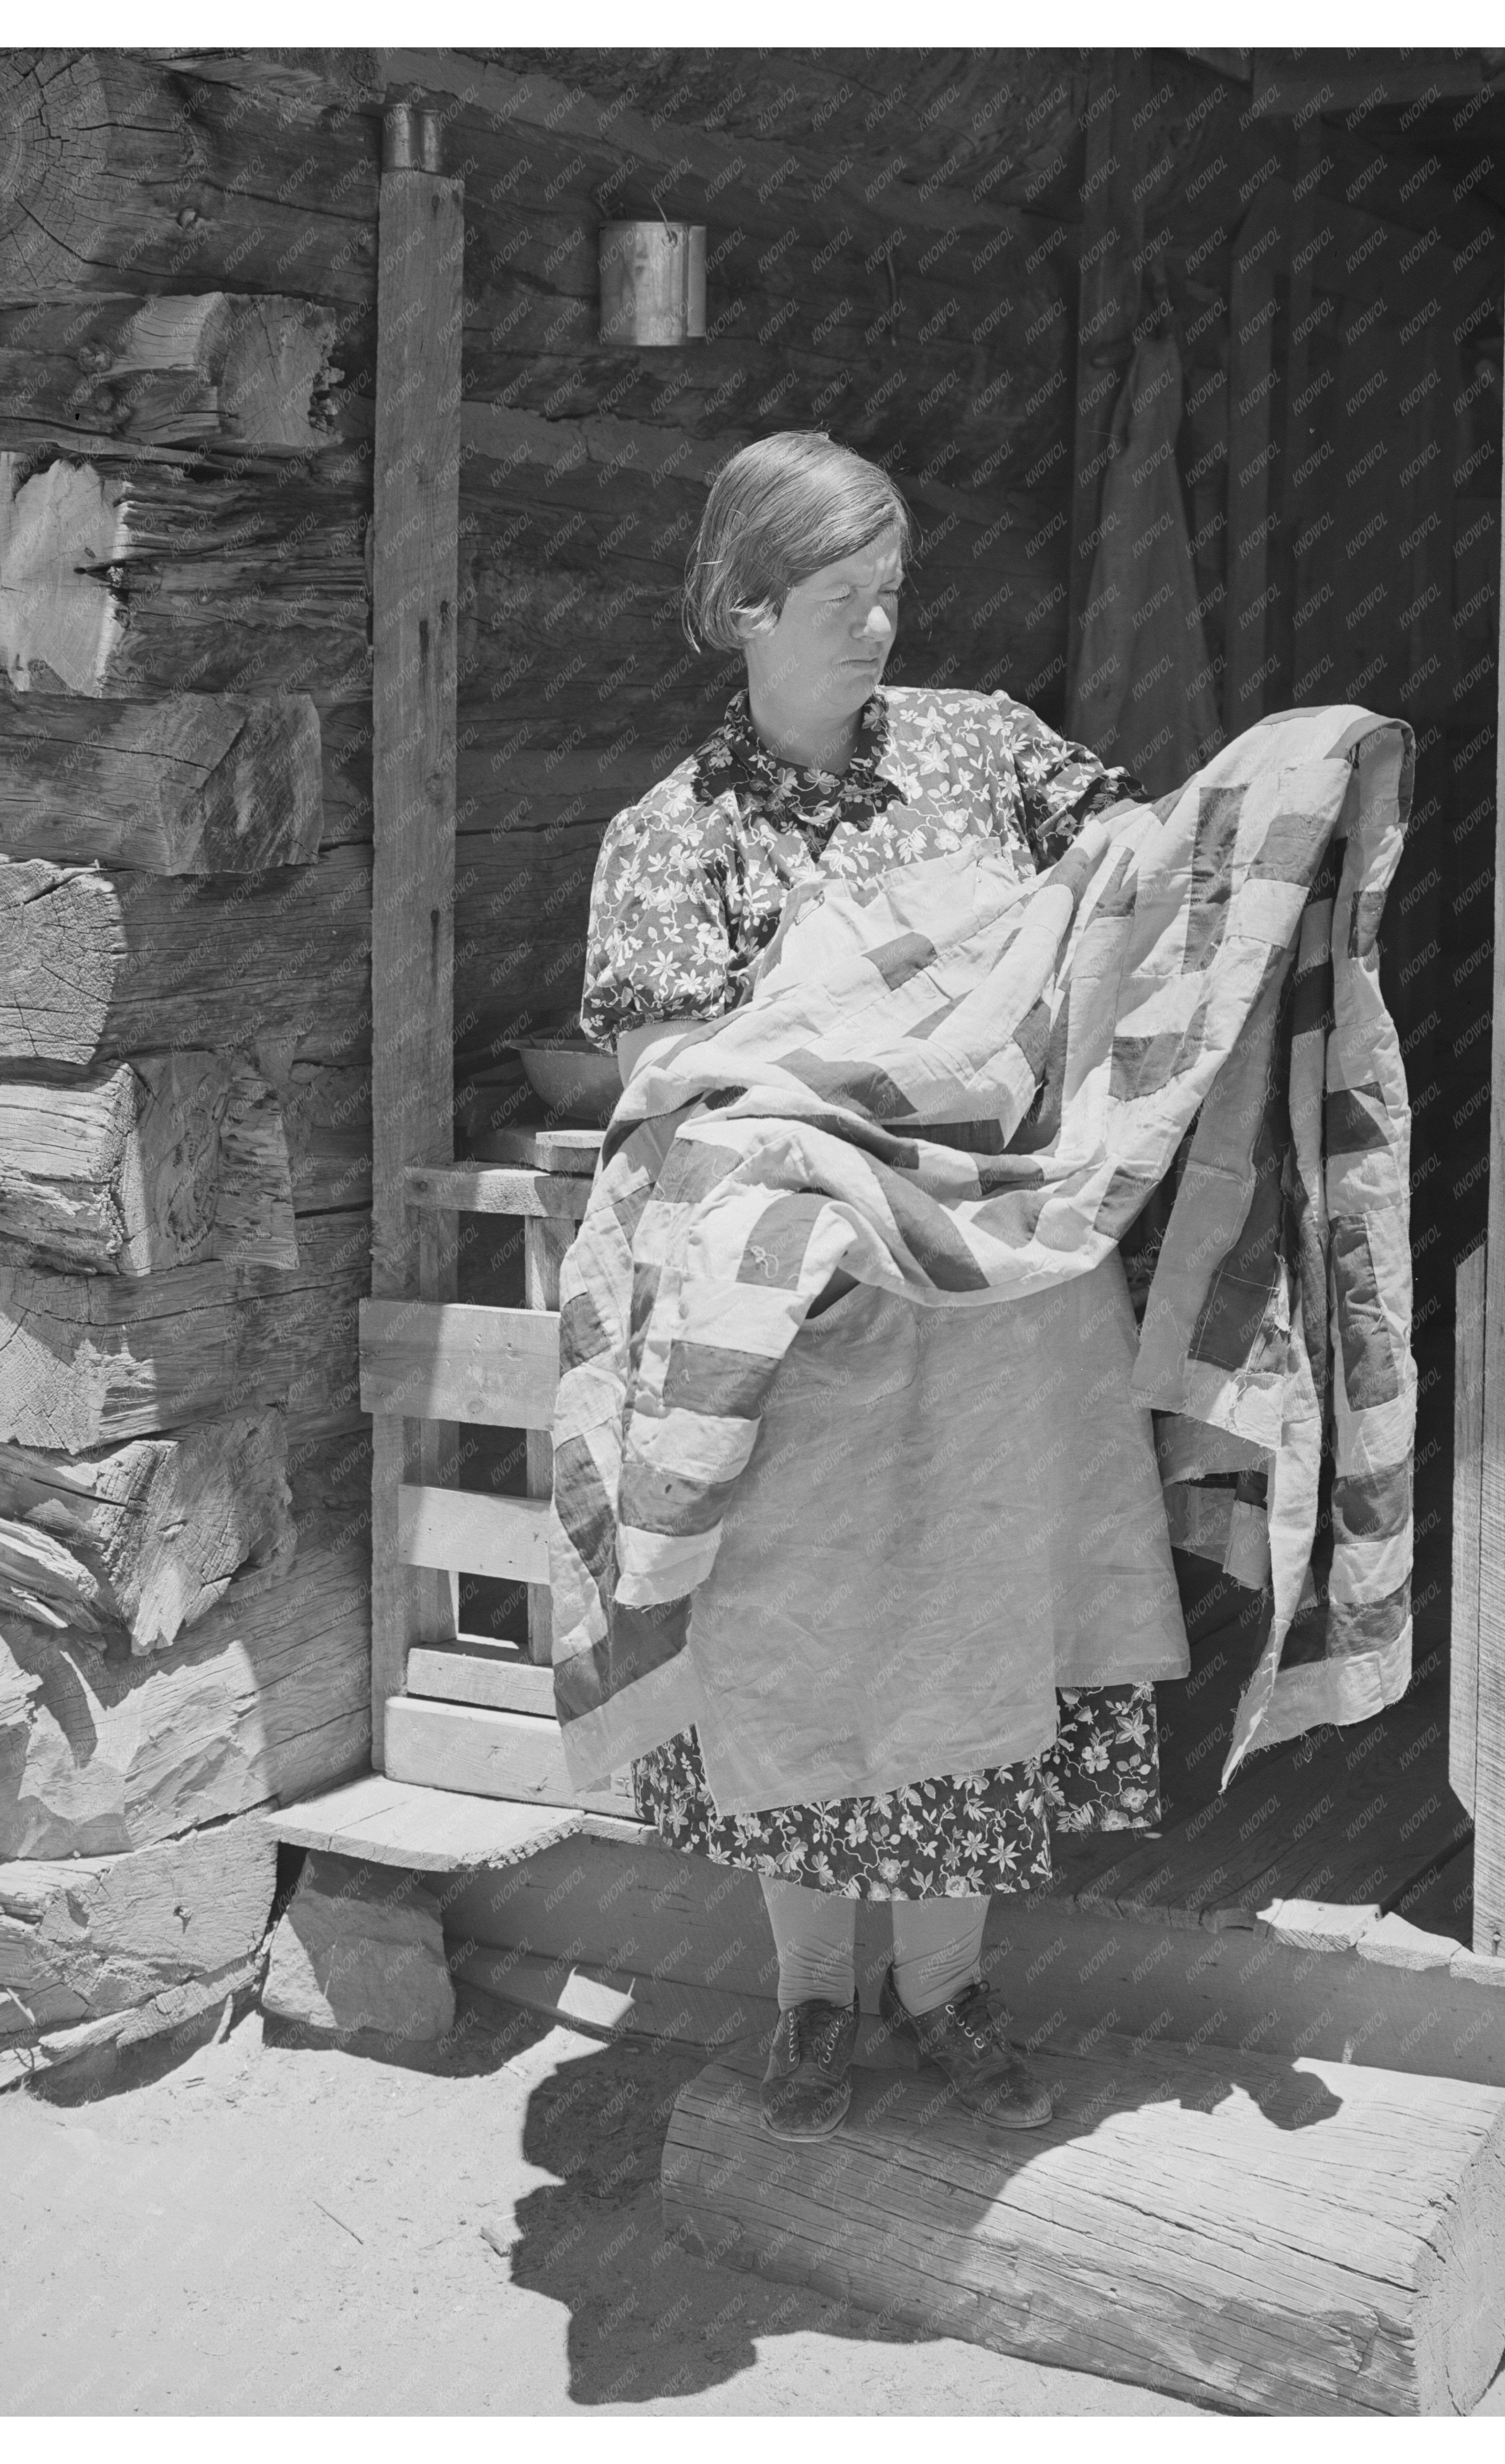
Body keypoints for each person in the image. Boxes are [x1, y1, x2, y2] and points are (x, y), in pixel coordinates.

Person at [577, 432, 1161, 2140]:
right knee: (807, 1645)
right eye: (842, 599)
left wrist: (1121, 855)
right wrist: (871, 1058)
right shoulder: (675, 837)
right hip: (814, 1320)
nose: (881, 627)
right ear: (740, 605)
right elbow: (667, 1069)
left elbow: (1130, 841)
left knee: (977, 1626)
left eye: (893, 590)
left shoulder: (984, 748)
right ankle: (812, 2004)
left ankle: (950, 1989)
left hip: (1002, 1305)